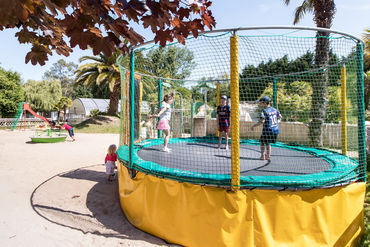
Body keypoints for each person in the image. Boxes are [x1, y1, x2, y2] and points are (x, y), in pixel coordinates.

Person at [251, 96, 282, 160]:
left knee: (262, 142)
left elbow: (262, 121)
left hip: (268, 130)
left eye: (261, 103)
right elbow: (280, 116)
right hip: (275, 129)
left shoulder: (264, 111)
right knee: (268, 143)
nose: (260, 104)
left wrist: (254, 126)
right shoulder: (275, 109)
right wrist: (277, 122)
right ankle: (268, 156)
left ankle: (262, 156)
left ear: (265, 103)